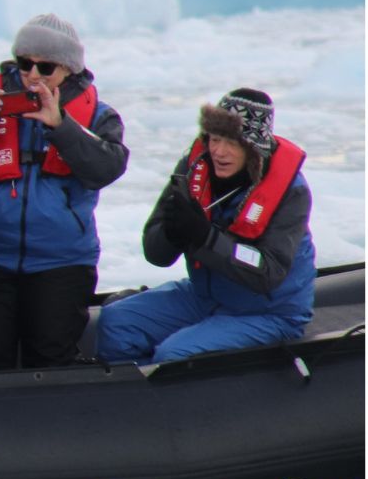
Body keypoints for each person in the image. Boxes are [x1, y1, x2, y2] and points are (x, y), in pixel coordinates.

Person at [0, 14, 129, 369]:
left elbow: (107, 169)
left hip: (62, 261)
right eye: (25, 64)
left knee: (51, 358)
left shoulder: (98, 117)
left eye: (46, 67)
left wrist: (61, 125)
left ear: (69, 70)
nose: (33, 75)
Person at [96, 89, 315, 363]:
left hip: (268, 311)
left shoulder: (291, 192)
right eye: (215, 139)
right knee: (117, 322)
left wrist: (206, 237)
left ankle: (169, 400)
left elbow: (269, 273)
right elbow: (156, 256)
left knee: (172, 355)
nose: (219, 152)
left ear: (253, 147)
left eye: (233, 143)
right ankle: (124, 400)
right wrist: (172, 233)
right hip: (205, 296)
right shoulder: (193, 169)